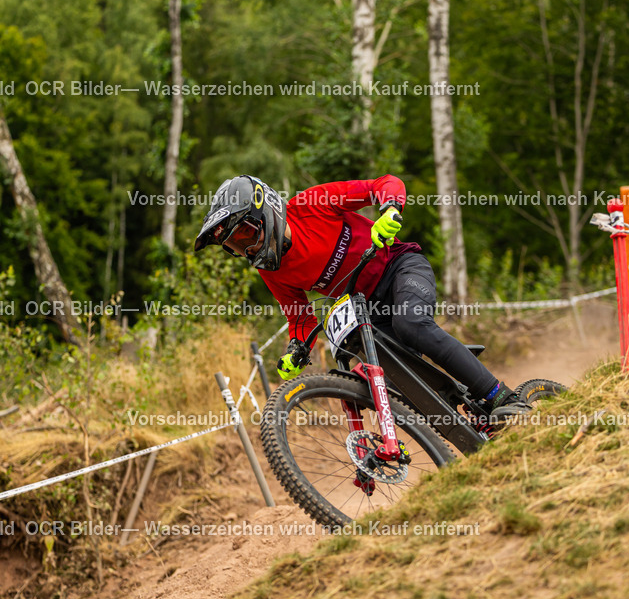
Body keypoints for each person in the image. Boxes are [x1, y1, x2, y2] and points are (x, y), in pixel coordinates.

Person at [193, 174, 531, 423]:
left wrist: (388, 211)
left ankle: (502, 395)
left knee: (411, 324)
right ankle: (457, 420)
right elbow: (299, 317)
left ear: (265, 211)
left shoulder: (311, 205)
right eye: (236, 247)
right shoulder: (271, 270)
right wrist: (297, 349)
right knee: (381, 368)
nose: (247, 249)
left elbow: (383, 183)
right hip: (367, 306)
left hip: (400, 268)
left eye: (246, 235)